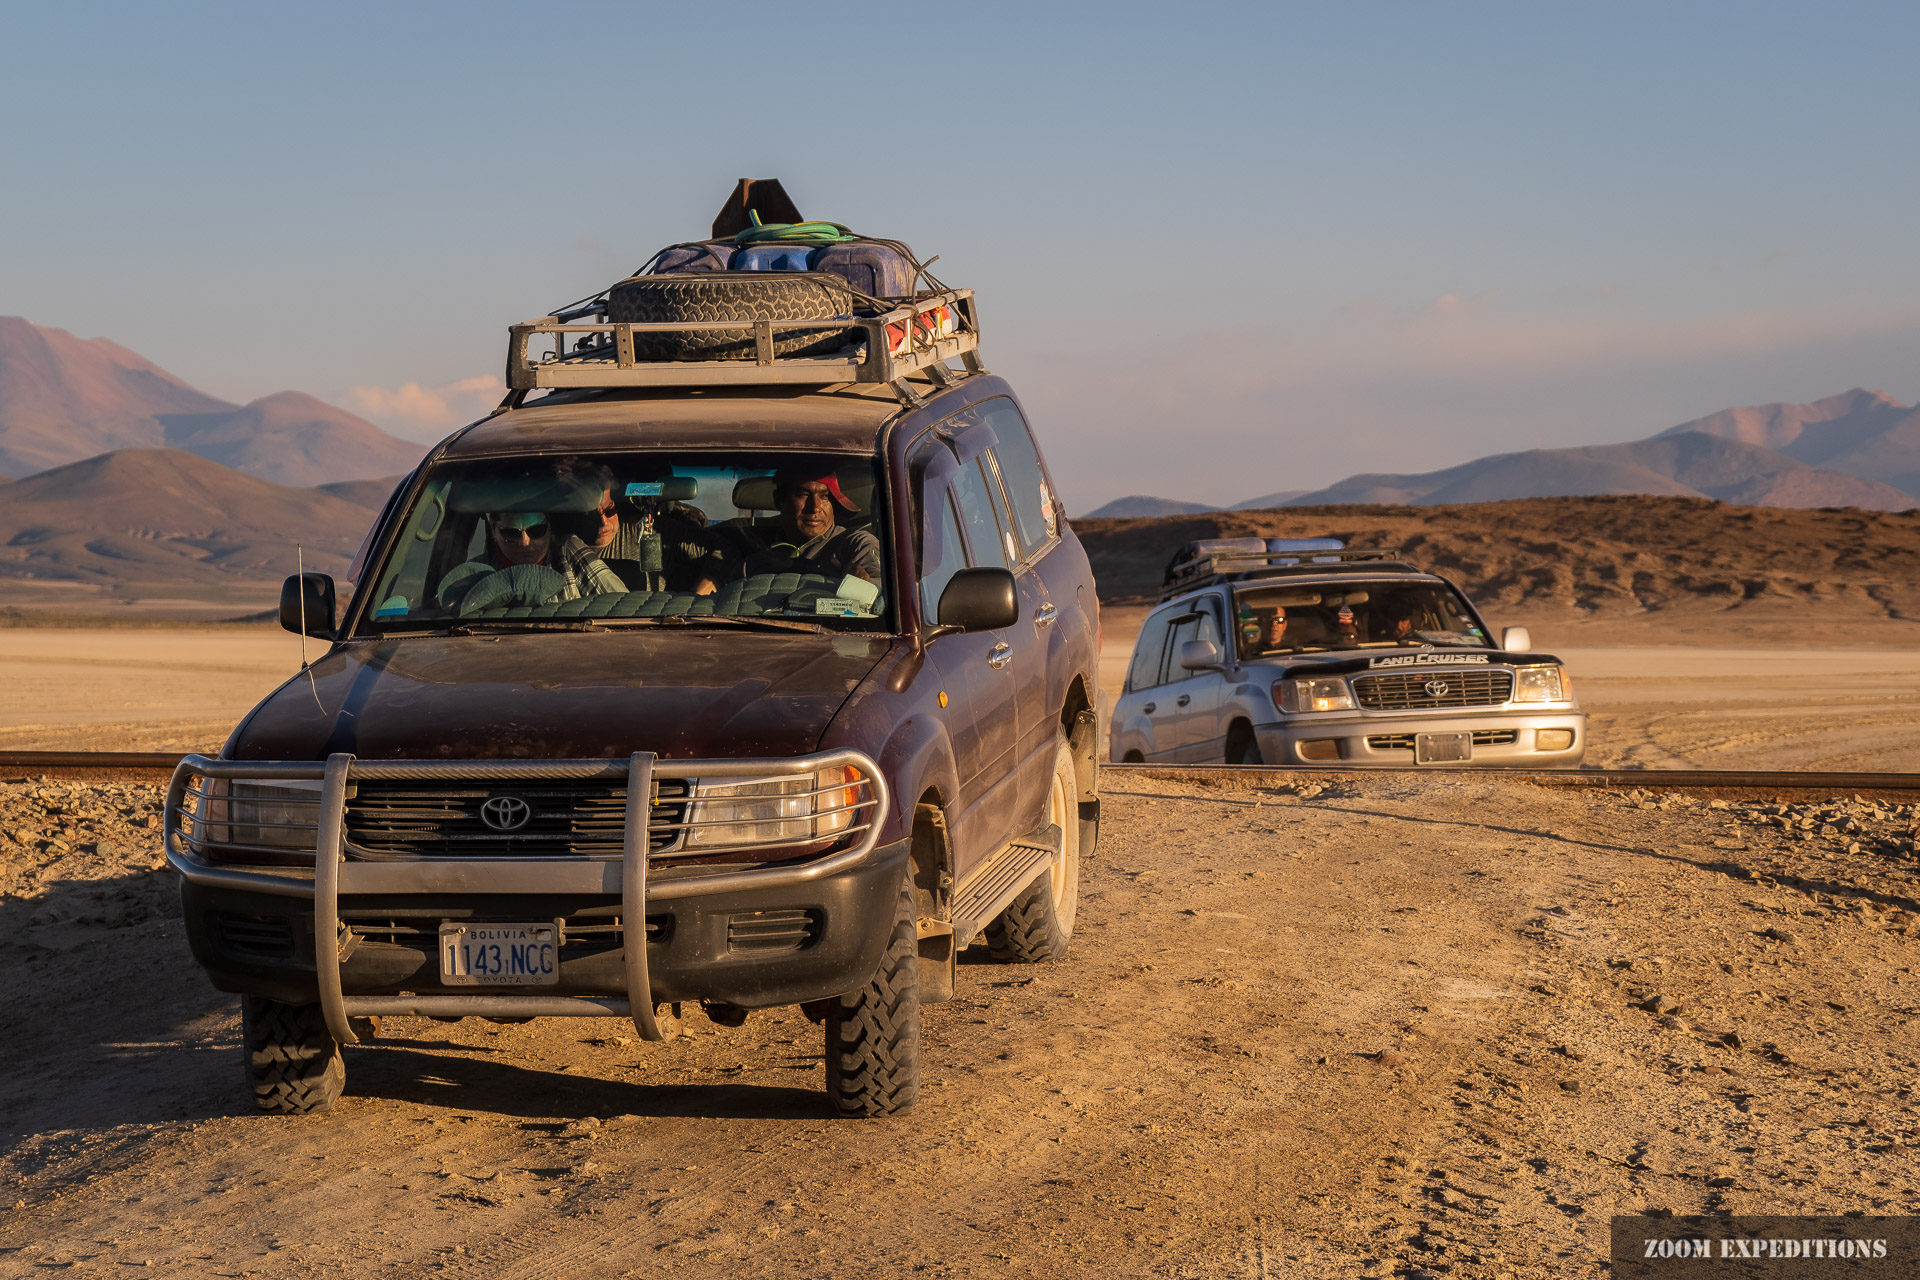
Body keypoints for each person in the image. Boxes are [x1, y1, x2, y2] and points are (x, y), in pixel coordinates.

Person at [712, 466, 881, 590]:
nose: (815, 507)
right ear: (779, 500)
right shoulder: (752, 564)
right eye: (803, 495)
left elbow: (880, 591)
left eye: (824, 497)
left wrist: (863, 583)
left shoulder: (856, 545)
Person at [437, 508, 625, 610]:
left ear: (549, 528)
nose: (525, 543)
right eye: (512, 534)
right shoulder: (476, 575)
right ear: (494, 530)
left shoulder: (566, 551)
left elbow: (620, 604)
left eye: (536, 531)